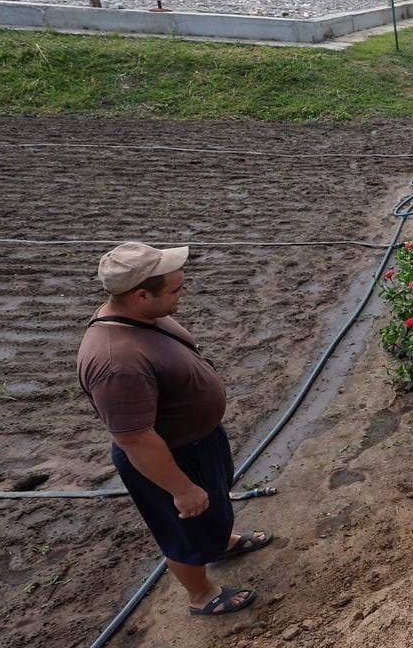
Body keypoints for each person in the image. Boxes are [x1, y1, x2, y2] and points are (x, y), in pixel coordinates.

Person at [76, 242, 272, 616]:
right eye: (175, 290)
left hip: (197, 444)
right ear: (140, 295)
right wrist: (180, 488)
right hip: (169, 458)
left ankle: (221, 543)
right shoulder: (117, 363)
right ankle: (201, 594)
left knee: (211, 506)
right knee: (183, 528)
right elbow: (134, 438)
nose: (183, 293)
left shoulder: (143, 317)